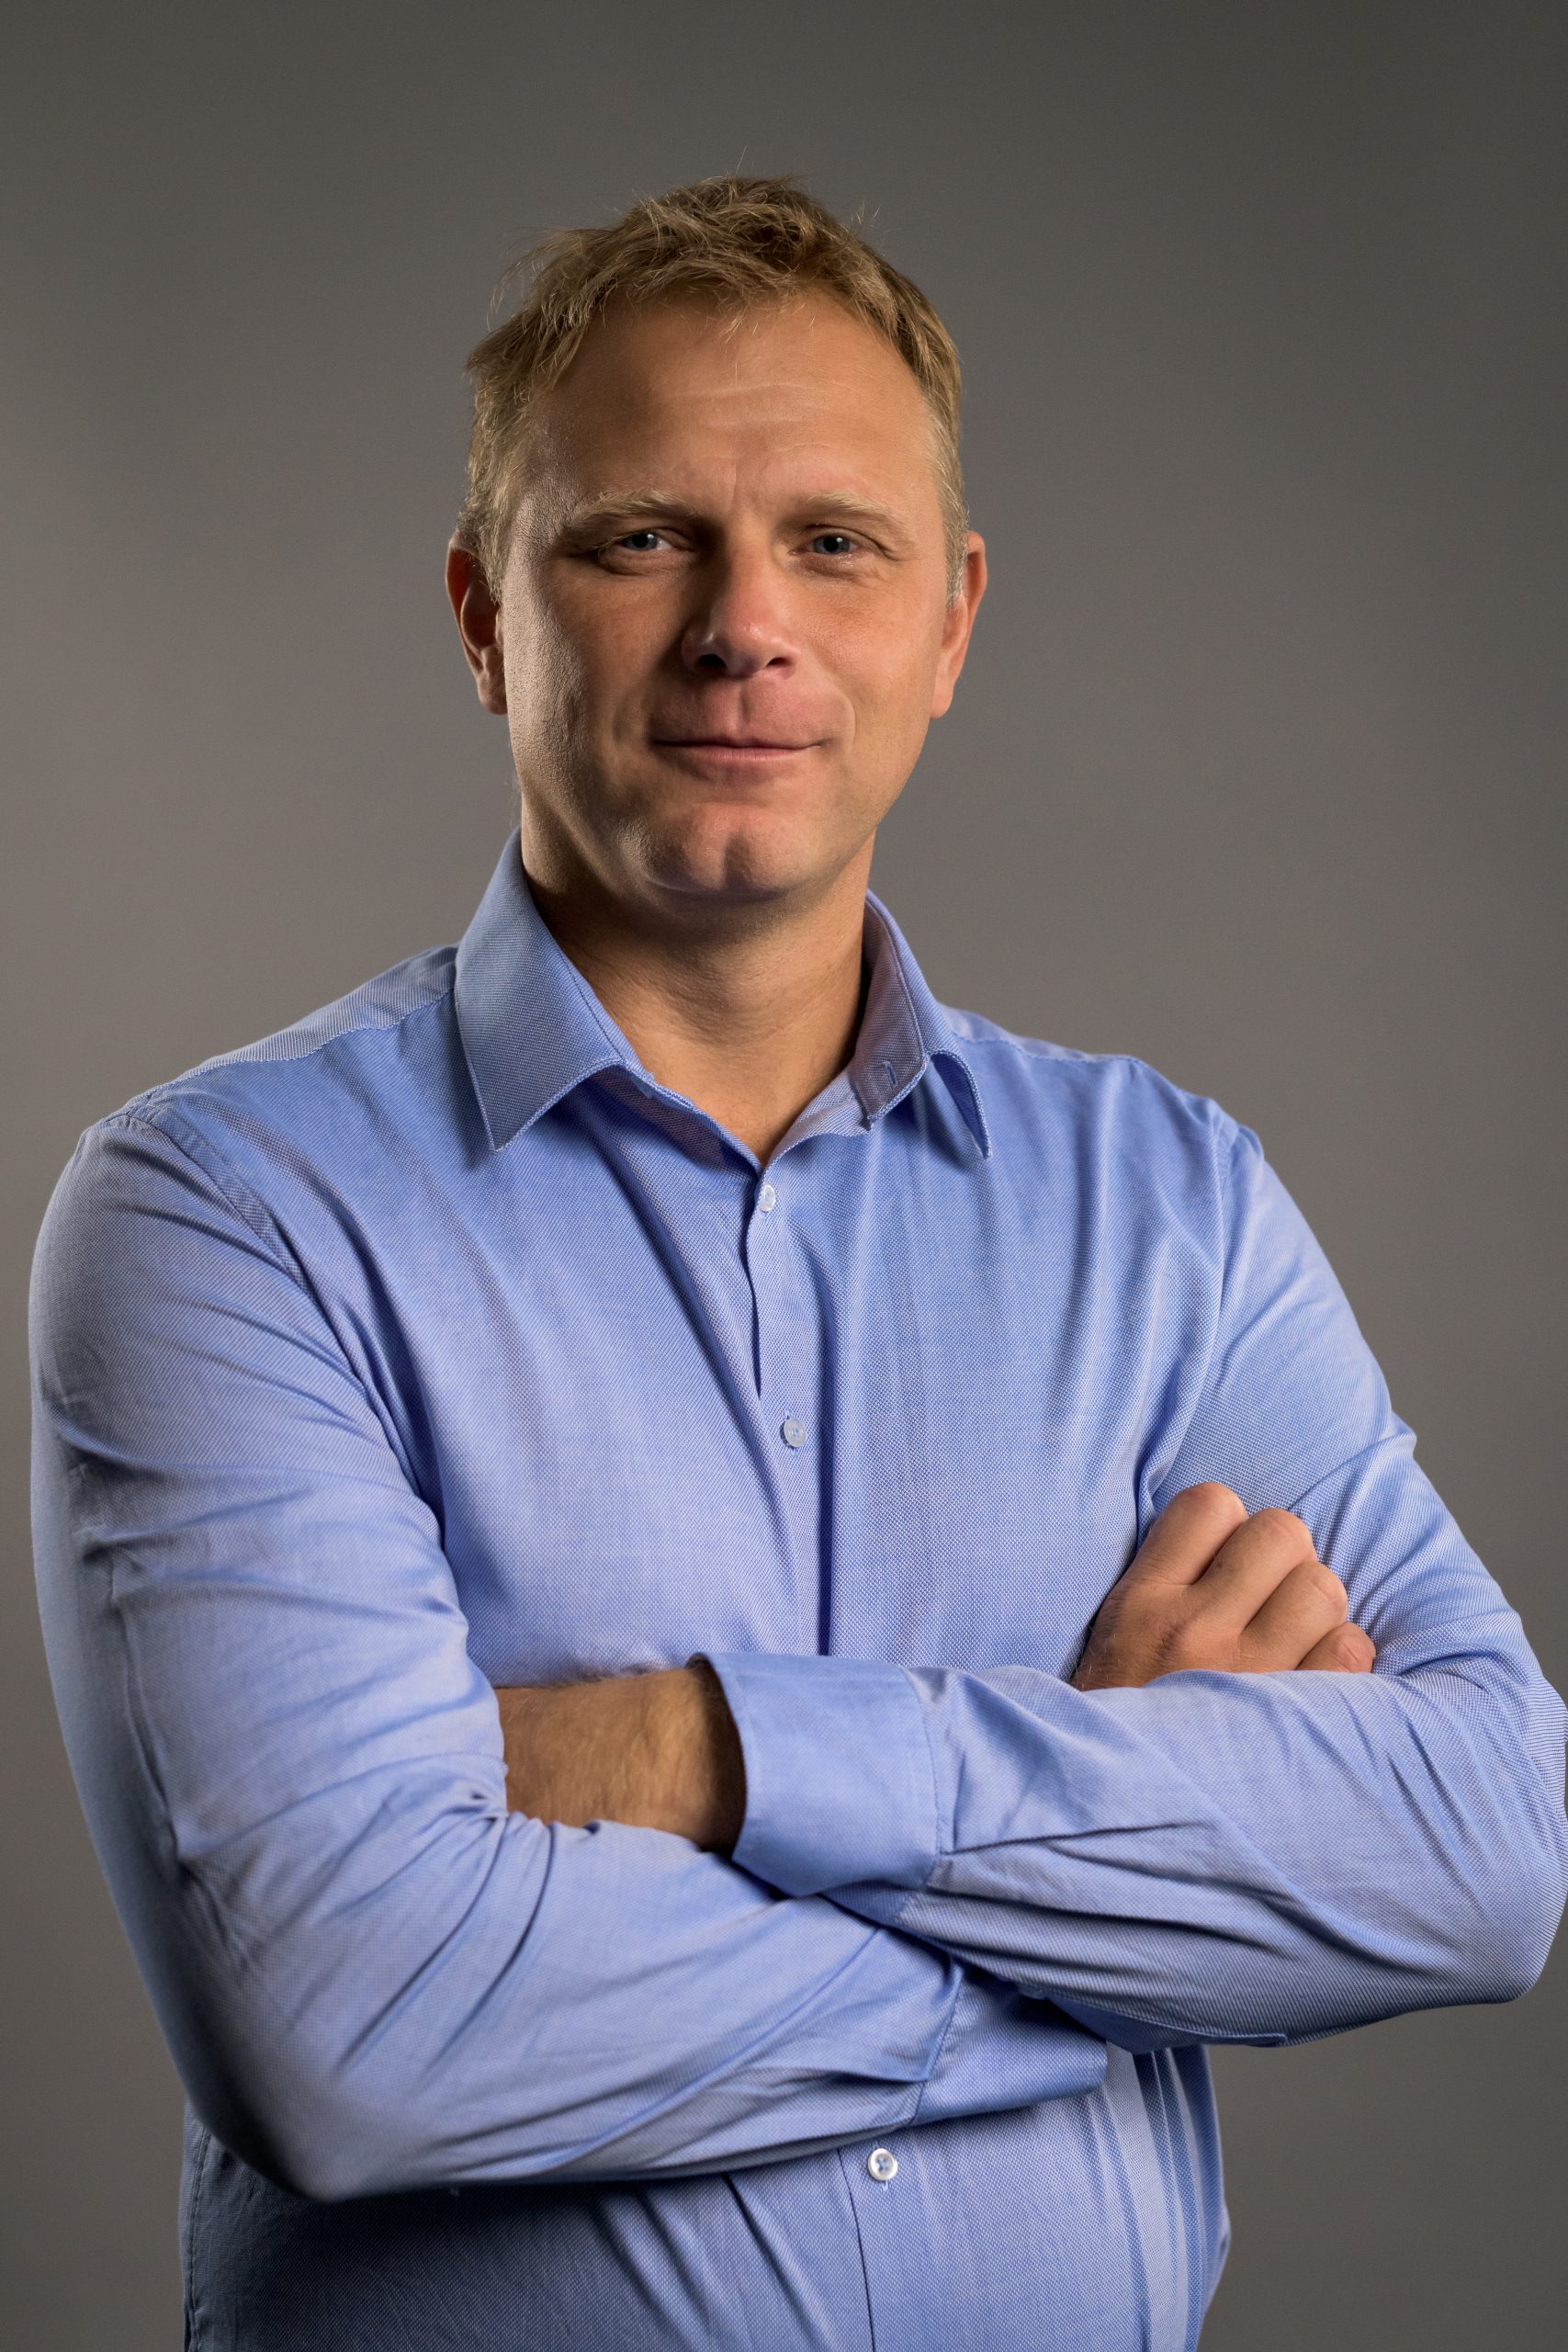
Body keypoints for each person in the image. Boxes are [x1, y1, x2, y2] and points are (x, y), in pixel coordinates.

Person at [28, 174, 1567, 2352]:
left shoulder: (1163, 1199)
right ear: (482, 614)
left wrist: (705, 1752)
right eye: (639, 537)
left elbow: (1483, 1846)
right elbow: (350, 2027)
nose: (742, 623)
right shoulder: (226, 1212)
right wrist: (1108, 1862)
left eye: (832, 542)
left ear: (948, 622)